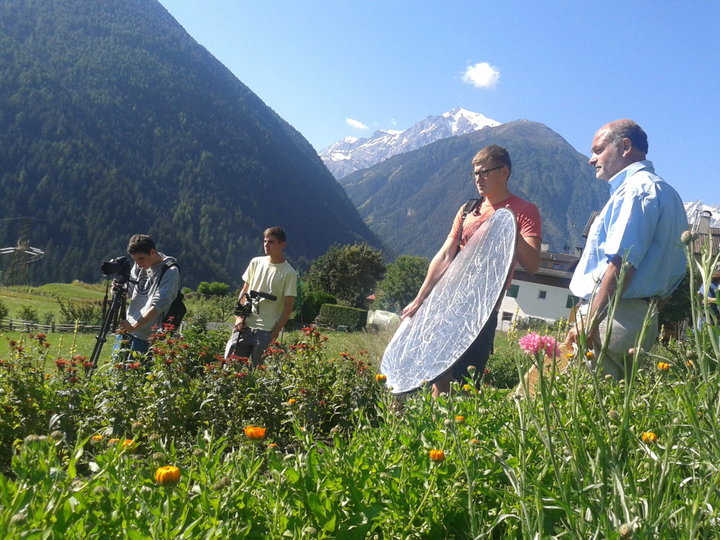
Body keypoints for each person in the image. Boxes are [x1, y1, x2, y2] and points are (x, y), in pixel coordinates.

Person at [402, 144, 542, 396]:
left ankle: (459, 431)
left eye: (485, 172)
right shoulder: (468, 209)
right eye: (475, 173)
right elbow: (445, 255)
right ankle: (433, 426)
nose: (478, 179)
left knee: (467, 383)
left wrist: (507, 224)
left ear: (504, 172)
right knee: (438, 376)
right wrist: (419, 298)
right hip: (447, 304)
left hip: (482, 311)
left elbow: (532, 264)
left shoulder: (524, 210)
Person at [564, 119, 688, 379]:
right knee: (615, 406)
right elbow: (676, 269)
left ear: (625, 146)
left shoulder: (635, 190)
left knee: (585, 404)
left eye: (598, 150)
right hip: (641, 315)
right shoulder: (669, 194)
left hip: (612, 315)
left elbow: (622, 264)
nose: (591, 159)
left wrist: (591, 320)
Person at [224, 227, 297, 365]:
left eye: (271, 242)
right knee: (230, 366)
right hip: (244, 325)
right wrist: (238, 318)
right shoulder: (256, 262)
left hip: (266, 330)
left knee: (257, 373)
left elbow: (288, 308)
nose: (266, 245)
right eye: (265, 241)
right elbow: (244, 293)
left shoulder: (289, 273)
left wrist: (274, 333)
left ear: (282, 245)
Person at [118, 234, 180, 356]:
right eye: (135, 260)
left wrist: (135, 326)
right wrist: (119, 290)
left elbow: (160, 303)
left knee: (138, 373)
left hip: (147, 337)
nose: (139, 264)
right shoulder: (139, 264)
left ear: (152, 252)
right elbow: (129, 289)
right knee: (116, 371)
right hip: (127, 329)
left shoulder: (170, 271)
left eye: (141, 259)